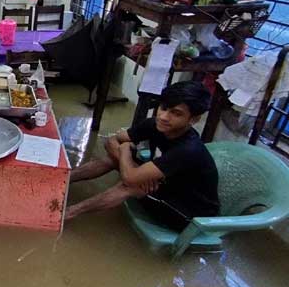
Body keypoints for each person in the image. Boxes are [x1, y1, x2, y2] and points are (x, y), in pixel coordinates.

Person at [66, 81, 220, 231]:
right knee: (113, 160)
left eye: (176, 113)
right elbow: (112, 141)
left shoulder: (188, 149)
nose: (164, 116)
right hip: (166, 184)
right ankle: (63, 180)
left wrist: (126, 152)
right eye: (164, 107)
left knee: (129, 186)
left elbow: (129, 178)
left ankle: (68, 212)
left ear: (194, 119)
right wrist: (132, 167)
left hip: (190, 213)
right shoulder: (155, 124)